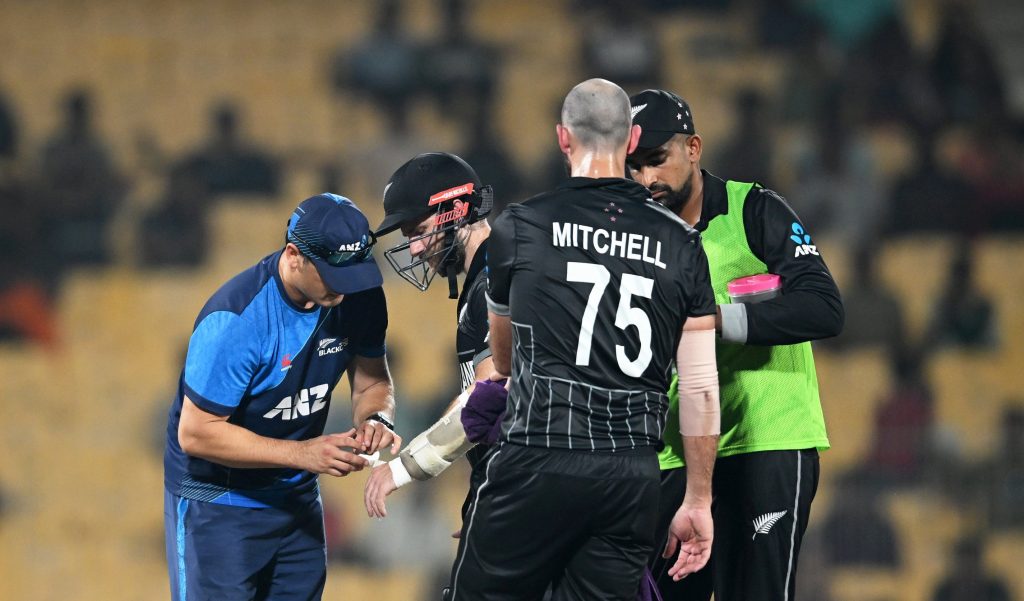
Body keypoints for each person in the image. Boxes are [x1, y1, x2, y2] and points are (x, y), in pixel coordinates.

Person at [450, 78, 722, 601]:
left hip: (538, 453)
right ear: (632, 137)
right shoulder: (683, 244)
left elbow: (503, 360)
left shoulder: (520, 227)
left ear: (562, 138)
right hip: (631, 474)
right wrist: (698, 498)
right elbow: (701, 387)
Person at [628, 88, 843, 601]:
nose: (646, 179)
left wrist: (715, 318)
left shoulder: (755, 210)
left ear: (693, 148)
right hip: (675, 451)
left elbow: (824, 307)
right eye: (632, 167)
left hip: (768, 440)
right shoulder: (633, 237)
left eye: (657, 160)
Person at [163, 193, 401, 601]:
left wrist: (376, 418)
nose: (346, 289)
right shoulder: (235, 322)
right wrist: (303, 454)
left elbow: (371, 383)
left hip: (296, 497)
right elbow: (196, 433)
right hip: (221, 502)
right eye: (334, 275)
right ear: (294, 256)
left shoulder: (359, 295)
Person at [362, 151, 498, 516]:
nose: (415, 249)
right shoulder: (488, 273)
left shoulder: (496, 279)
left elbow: (491, 393)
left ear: (458, 210)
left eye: (420, 232)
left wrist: (405, 467)